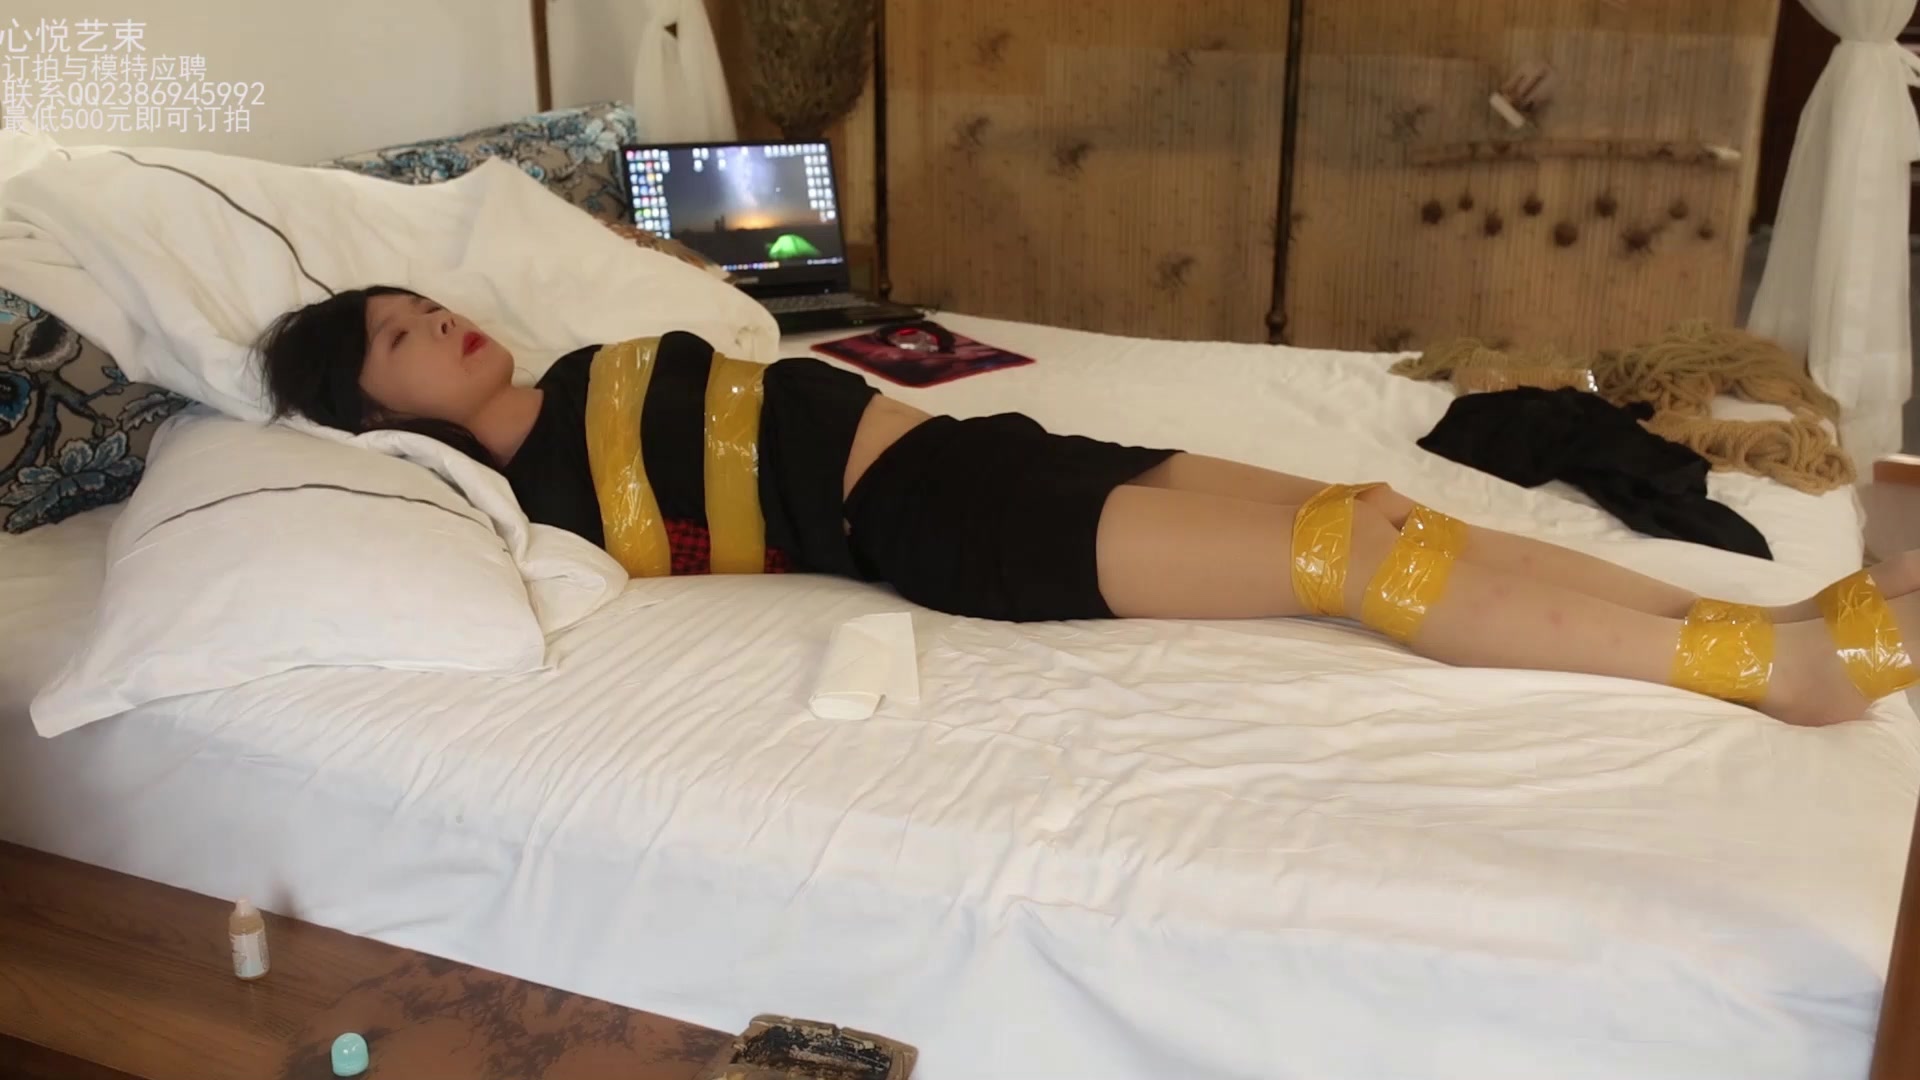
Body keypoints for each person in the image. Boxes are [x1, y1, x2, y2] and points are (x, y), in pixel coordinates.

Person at [254, 286, 1920, 728]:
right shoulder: (533, 497)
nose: (435, 322)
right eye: (396, 339)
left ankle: (1764, 619)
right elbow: (608, 571)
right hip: (943, 529)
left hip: (995, 449)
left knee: (1375, 505)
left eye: (418, 302)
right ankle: (1770, 673)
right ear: (379, 410)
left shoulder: (592, 357)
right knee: (1349, 560)